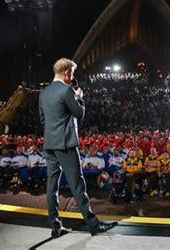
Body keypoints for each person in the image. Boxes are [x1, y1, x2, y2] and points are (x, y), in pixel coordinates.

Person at [39, 58, 117, 237]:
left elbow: (43, 120)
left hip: (49, 144)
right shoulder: (67, 91)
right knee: (77, 184)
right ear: (66, 72)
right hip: (65, 144)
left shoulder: (43, 93)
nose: (72, 77)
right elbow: (79, 113)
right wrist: (79, 98)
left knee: (52, 187)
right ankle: (93, 225)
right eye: (72, 73)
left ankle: (55, 226)